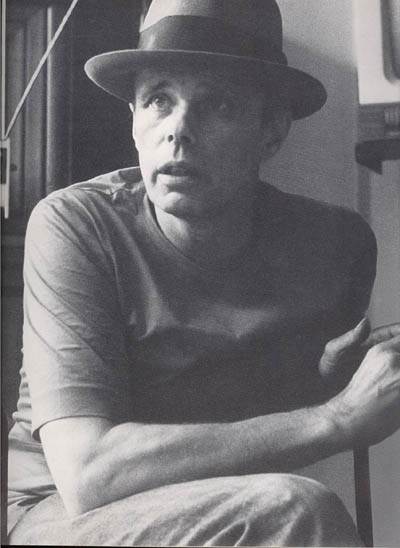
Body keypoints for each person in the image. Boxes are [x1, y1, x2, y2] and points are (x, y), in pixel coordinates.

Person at [7, 0, 400, 546]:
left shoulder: (335, 245)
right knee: (295, 508)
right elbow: (89, 473)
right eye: (158, 100)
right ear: (133, 120)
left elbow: (248, 410)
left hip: (214, 504)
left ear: (272, 131)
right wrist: (335, 417)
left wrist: (326, 378)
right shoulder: (77, 225)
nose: (178, 131)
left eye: (218, 105)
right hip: (58, 513)